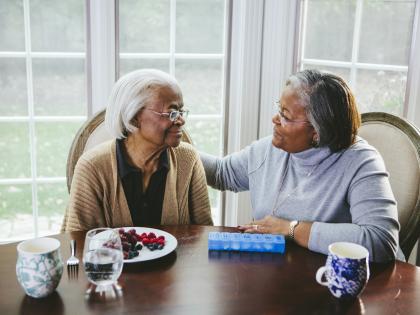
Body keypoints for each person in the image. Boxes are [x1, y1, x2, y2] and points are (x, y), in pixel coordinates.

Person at [201, 69, 400, 263]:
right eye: (279, 109)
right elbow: (221, 172)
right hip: (282, 275)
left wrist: (291, 229)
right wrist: (176, 147)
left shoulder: (361, 162)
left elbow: (380, 240)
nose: (275, 119)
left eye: (286, 116)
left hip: (339, 282)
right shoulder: (271, 150)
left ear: (317, 132)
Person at [62, 69, 213, 232]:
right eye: (171, 113)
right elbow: (78, 242)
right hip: (111, 259)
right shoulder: (92, 166)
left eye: (181, 111)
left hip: (179, 258)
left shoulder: (188, 159)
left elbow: (203, 234)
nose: (181, 120)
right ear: (133, 116)